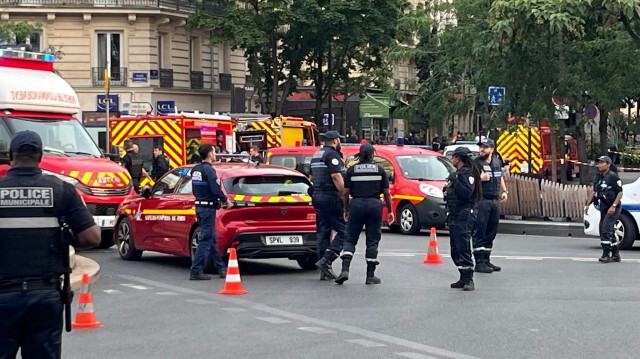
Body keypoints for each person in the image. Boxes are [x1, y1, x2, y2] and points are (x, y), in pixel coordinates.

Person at [0, 131, 101, 358]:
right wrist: (63, 237)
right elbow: (92, 237)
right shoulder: (61, 190)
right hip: (44, 296)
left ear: (10, 155)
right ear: (40, 156)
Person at [335, 143, 394, 285]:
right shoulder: (380, 171)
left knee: (350, 238)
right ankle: (370, 276)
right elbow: (386, 193)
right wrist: (390, 211)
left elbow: (345, 193)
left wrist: (346, 210)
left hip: (357, 205)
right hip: (375, 205)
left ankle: (345, 270)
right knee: (372, 240)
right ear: (373, 154)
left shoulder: (352, 170)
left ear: (360, 154)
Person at [189, 144, 232, 280]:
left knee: (212, 238)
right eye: (213, 151)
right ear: (209, 154)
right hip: (208, 208)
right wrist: (225, 200)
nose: (215, 154)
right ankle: (196, 270)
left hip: (199, 207)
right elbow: (214, 188)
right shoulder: (209, 170)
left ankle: (221, 268)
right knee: (205, 239)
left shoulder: (195, 169)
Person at [312, 130, 347, 280]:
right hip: (330, 196)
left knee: (324, 231)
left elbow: (312, 176)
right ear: (334, 141)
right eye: (339, 140)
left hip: (317, 196)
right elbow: (336, 176)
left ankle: (324, 271)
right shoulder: (332, 155)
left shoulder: (316, 155)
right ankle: (327, 260)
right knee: (345, 231)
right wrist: (345, 194)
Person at [445, 147, 482, 291]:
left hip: (465, 213)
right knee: (455, 248)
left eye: (453, 157)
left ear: (457, 158)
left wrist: (456, 180)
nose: (451, 160)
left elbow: (467, 193)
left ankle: (469, 278)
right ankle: (462, 276)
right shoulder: (459, 174)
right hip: (455, 213)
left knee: (463, 245)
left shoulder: (467, 174)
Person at [472, 138, 508, 273]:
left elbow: (500, 177)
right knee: (480, 231)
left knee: (491, 232)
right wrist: (480, 179)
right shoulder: (476, 163)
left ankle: (486, 259)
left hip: (494, 201)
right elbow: (469, 178)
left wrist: (504, 191)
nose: (482, 150)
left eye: (485, 147)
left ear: (492, 149)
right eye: (481, 147)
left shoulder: (497, 162)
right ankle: (479, 262)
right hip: (482, 200)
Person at [584, 156, 623, 263]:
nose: (599, 165)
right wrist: (588, 205)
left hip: (613, 207)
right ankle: (615, 255)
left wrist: (613, 206)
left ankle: (606, 254)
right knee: (605, 229)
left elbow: (620, 192)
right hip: (604, 206)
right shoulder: (598, 177)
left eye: (602, 163)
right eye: (599, 163)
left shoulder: (613, 177)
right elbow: (595, 192)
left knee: (606, 229)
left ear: (608, 164)